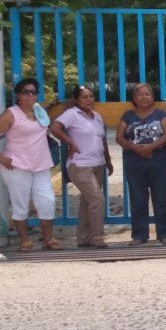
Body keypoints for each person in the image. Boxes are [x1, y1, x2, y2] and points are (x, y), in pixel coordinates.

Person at [0, 78, 63, 251]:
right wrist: (1, 157)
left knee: (47, 202)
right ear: (18, 95)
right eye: (26, 92)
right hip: (17, 166)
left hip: (40, 164)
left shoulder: (39, 111)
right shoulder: (11, 113)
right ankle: (24, 240)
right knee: (21, 205)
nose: (30, 95)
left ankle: (48, 239)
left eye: (33, 92)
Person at [49, 85, 114, 248]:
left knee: (88, 202)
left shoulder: (97, 116)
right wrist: (70, 143)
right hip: (80, 164)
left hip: (97, 164)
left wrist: (108, 160)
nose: (89, 100)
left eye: (91, 96)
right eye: (84, 97)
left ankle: (83, 238)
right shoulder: (72, 114)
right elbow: (54, 127)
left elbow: (102, 139)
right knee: (97, 200)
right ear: (76, 100)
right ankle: (97, 237)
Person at [115, 83, 166, 245]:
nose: (144, 97)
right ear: (134, 98)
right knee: (138, 199)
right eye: (140, 94)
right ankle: (139, 235)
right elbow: (119, 137)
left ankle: (164, 234)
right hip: (134, 162)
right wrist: (135, 148)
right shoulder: (128, 116)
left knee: (161, 199)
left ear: (153, 97)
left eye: (147, 94)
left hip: (158, 160)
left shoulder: (161, 115)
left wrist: (150, 147)